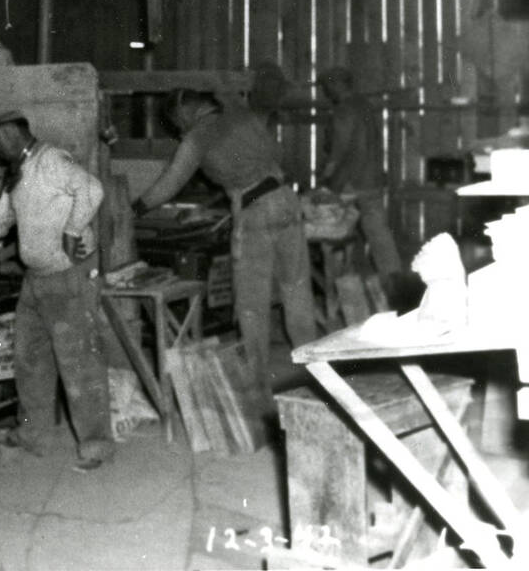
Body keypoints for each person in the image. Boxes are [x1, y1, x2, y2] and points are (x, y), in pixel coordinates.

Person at [0, 110, 112, 472]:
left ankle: (96, 446)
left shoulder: (50, 160)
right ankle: (33, 436)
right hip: (36, 280)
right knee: (29, 361)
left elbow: (92, 189)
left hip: (67, 278)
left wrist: (72, 232)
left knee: (79, 363)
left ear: (7, 133)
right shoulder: (20, 173)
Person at [130, 90, 316, 387]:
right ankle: (317, 368)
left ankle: (256, 379)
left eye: (177, 125)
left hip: (256, 212)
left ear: (184, 113)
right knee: (296, 289)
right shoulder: (242, 116)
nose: (180, 131)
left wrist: (136, 207)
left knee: (251, 302)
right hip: (285, 200)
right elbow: (275, 155)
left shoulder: (197, 137)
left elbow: (171, 183)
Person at [317, 66, 401, 280]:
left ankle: (343, 285)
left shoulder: (344, 110)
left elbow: (339, 152)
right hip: (372, 181)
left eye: (328, 88)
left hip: (351, 184)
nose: (327, 93)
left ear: (337, 85)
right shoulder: (365, 106)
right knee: (379, 235)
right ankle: (394, 282)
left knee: (335, 237)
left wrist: (327, 181)